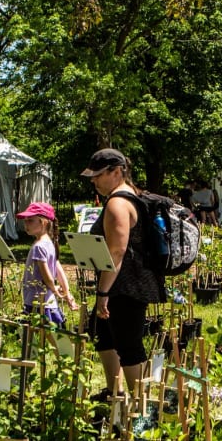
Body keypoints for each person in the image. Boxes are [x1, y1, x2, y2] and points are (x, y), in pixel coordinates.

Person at [82, 148, 166, 399]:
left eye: (98, 175)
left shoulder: (118, 203)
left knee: (129, 346)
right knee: (102, 334)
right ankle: (114, 393)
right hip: (126, 282)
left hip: (126, 286)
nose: (94, 181)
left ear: (117, 172)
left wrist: (102, 293)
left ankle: (142, 408)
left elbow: (116, 252)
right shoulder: (129, 196)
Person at [18, 202, 76, 328]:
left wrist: (55, 290)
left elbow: (47, 275)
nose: (26, 224)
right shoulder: (49, 243)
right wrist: (66, 292)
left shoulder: (38, 246)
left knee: (36, 334)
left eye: (30, 220)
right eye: (25, 221)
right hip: (48, 302)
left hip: (37, 301)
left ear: (43, 222)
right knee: (52, 335)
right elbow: (58, 270)